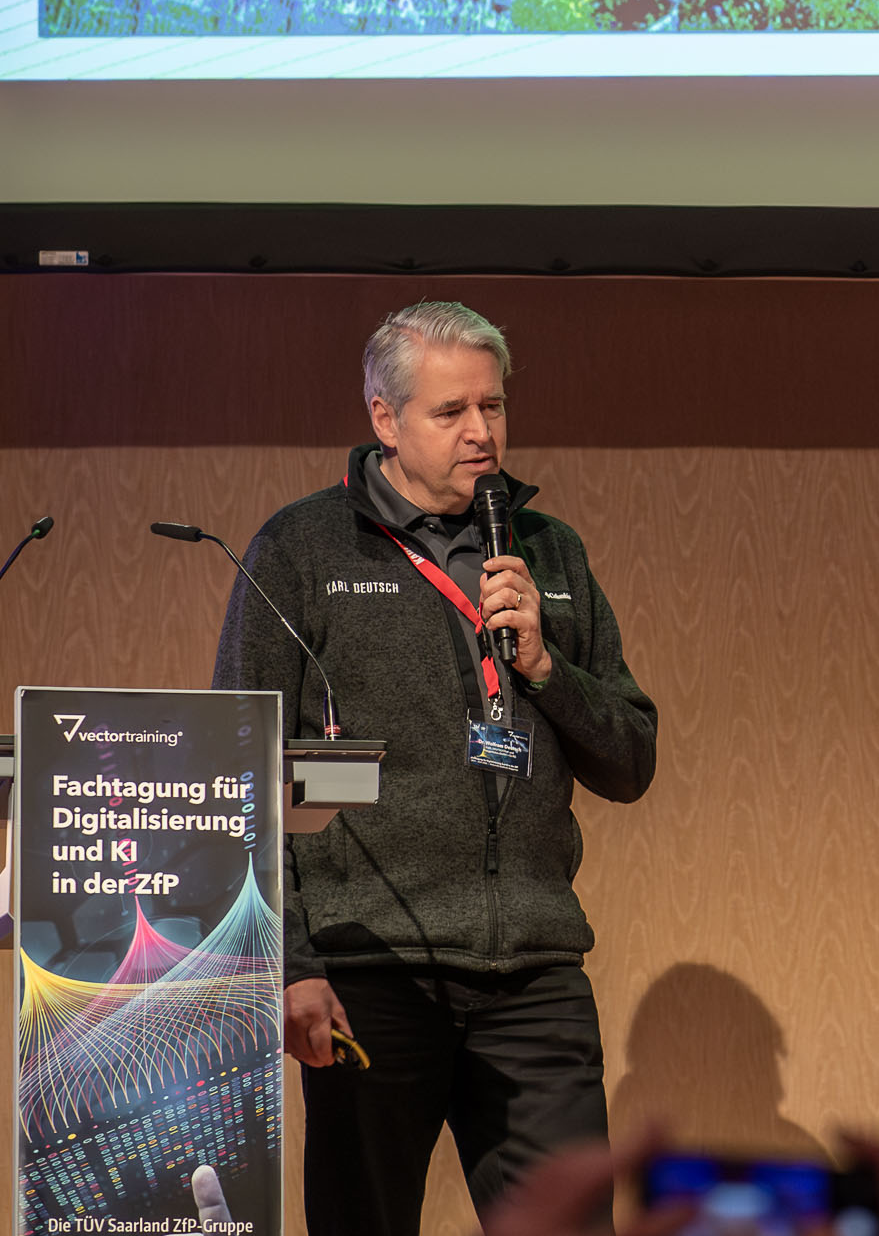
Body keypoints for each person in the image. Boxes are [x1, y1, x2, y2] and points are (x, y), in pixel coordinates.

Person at [215, 300, 659, 1236]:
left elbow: (629, 759)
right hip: (370, 972)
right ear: (384, 417)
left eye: (492, 406)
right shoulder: (301, 550)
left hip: (533, 971)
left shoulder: (548, 552)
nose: (481, 432)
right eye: (450, 411)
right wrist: (288, 963)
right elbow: (238, 772)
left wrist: (547, 667)